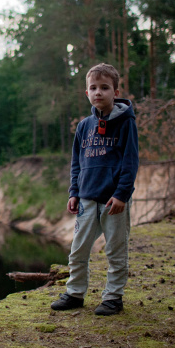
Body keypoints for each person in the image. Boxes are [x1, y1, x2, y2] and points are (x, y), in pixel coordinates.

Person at [50, 63, 139, 316]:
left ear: (115, 92)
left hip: (113, 202)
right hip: (87, 199)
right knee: (78, 249)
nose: (98, 92)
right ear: (86, 93)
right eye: (93, 88)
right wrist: (74, 192)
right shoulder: (84, 126)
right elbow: (77, 162)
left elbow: (130, 161)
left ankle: (113, 298)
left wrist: (122, 194)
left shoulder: (126, 123)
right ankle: (74, 293)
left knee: (115, 251)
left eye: (104, 87)